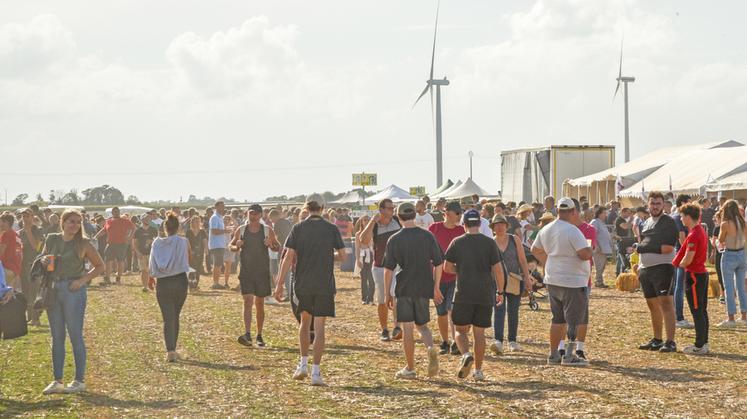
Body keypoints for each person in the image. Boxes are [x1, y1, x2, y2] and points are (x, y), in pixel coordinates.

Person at [273, 200, 346, 386]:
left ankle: (303, 363)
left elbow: (288, 257)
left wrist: (280, 283)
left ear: (307, 209)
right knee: (320, 327)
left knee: (305, 324)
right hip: (324, 283)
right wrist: (328, 255)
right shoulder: (331, 228)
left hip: (303, 283)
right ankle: (316, 372)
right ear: (321, 210)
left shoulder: (298, 228)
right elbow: (343, 256)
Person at [41, 210, 105, 395]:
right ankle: (58, 380)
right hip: (53, 289)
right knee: (57, 335)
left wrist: (82, 280)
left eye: (78, 222)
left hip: (73, 290)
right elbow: (42, 259)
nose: (75, 225)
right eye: (71, 221)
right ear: (63, 222)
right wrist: (44, 260)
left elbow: (99, 265)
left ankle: (79, 380)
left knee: (75, 334)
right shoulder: (52, 239)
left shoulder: (83, 243)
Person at [383, 202, 443, 379]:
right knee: (423, 326)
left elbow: (388, 270)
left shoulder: (394, 239)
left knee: (407, 329)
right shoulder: (427, 236)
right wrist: (436, 287)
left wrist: (388, 293)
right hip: (424, 286)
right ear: (414, 216)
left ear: (399, 217)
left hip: (404, 287)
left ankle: (410, 368)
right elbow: (439, 263)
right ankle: (431, 348)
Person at [531, 197, 592, 366]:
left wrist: (548, 261)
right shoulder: (573, 231)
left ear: (557, 211)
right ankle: (570, 355)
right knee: (573, 319)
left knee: (557, 318)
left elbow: (534, 249)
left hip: (553, 279)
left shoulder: (546, 229)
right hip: (573, 280)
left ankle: (553, 354)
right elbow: (584, 254)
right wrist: (589, 249)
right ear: (573, 212)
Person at [445, 209, 505, 380]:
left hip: (463, 293)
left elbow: (447, 267)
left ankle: (465, 354)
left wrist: (461, 270)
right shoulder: (489, 243)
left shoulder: (457, 242)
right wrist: (500, 291)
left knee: (460, 330)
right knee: (479, 334)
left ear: (464, 224)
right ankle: (478, 371)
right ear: (479, 223)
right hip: (485, 294)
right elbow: (498, 270)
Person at [635, 191, 679, 353]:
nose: (655, 206)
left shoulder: (668, 222)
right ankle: (657, 339)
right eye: (652, 203)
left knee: (666, 303)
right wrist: (639, 265)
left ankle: (671, 341)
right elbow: (642, 245)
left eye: (658, 203)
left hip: (663, 268)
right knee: (652, 305)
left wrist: (642, 248)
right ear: (648, 205)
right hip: (646, 269)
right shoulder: (645, 223)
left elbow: (668, 248)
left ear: (663, 204)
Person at [230, 205, 280, 348]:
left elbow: (277, 247)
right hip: (246, 271)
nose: (253, 216)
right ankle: (247, 334)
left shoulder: (267, 230)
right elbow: (231, 246)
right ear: (247, 214)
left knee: (259, 304)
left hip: (262, 272)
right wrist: (237, 246)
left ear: (261, 215)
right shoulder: (241, 230)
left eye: (256, 214)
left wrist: (271, 244)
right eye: (251, 213)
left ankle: (259, 334)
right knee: (248, 300)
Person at [148, 212, 191, 362]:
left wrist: (150, 277)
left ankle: (170, 350)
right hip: (179, 280)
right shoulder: (183, 241)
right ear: (178, 227)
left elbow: (151, 262)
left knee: (168, 317)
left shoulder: (156, 243)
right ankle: (173, 349)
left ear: (165, 227)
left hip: (163, 282)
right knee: (175, 316)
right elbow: (189, 259)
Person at [490, 214, 533, 355]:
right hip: (496, 282)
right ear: (493, 227)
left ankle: (512, 340)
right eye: (496, 224)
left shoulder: (515, 240)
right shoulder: (490, 242)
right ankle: (498, 341)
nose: (500, 227)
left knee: (513, 311)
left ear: (507, 226)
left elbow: (522, 260)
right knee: (498, 310)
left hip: (514, 280)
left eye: (502, 224)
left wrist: (527, 277)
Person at [361, 199, 402, 341]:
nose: (393, 210)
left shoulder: (397, 220)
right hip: (380, 266)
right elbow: (363, 241)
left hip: (397, 266)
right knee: (382, 300)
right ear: (382, 209)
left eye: (393, 207)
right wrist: (372, 222)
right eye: (390, 208)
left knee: (397, 296)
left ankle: (397, 327)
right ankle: (384, 329)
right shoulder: (375, 225)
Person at [428, 201, 466, 355]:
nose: (459, 216)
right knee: (441, 312)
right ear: (448, 213)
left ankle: (456, 342)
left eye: (461, 213)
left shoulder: (461, 231)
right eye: (457, 213)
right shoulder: (434, 228)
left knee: (452, 310)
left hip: (455, 277)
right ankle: (445, 341)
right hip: (437, 278)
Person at [673, 203, 710, 354]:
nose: (681, 219)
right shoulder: (698, 230)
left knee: (696, 310)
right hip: (700, 274)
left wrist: (678, 266)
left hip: (694, 275)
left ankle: (699, 345)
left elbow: (688, 258)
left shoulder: (694, 233)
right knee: (701, 310)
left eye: (682, 216)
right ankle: (704, 342)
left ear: (688, 217)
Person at [716, 200, 747, 327]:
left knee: (728, 287)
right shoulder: (743, 223)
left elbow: (721, 239)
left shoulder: (725, 224)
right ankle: (744, 316)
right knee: (741, 288)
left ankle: (731, 318)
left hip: (729, 255)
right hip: (741, 254)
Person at [92, 207, 134, 285]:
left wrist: (129, 237)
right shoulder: (109, 221)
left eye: (117, 211)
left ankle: (118, 278)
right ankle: (107, 278)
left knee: (120, 261)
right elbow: (104, 230)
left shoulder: (125, 221)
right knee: (107, 260)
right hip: (110, 244)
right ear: (112, 213)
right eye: (114, 211)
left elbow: (133, 228)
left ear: (119, 212)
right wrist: (95, 237)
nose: (116, 213)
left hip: (121, 244)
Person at [671, 194, 694, 329]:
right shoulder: (680, 218)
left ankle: (676, 315)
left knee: (677, 286)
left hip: (677, 254)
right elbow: (682, 237)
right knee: (679, 287)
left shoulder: (675, 216)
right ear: (683, 203)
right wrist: (687, 255)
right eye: (689, 203)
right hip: (681, 254)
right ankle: (679, 317)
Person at [18, 208, 44, 326]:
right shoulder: (20, 232)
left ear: (33, 217)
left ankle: (36, 318)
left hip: (35, 265)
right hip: (23, 265)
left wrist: (28, 232)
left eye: (27, 216)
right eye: (23, 216)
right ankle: (29, 317)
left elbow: (37, 248)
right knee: (25, 292)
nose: (25, 219)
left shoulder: (38, 230)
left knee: (34, 291)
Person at [208, 201, 233, 290]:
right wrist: (225, 231)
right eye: (221, 206)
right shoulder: (214, 218)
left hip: (220, 244)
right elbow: (214, 231)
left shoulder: (219, 217)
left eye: (223, 206)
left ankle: (216, 282)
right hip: (216, 244)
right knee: (217, 264)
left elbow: (219, 230)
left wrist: (226, 228)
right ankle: (215, 283)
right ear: (217, 207)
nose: (223, 208)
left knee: (218, 264)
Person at [270, 209, 293, 301]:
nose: (271, 221)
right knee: (290, 271)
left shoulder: (278, 224)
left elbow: (276, 237)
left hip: (283, 249)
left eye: (271, 219)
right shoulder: (287, 222)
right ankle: (291, 292)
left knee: (285, 271)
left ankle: (289, 293)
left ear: (275, 216)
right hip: (291, 248)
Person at [133, 211, 159, 292]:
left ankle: (153, 283)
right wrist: (138, 253)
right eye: (146, 218)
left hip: (152, 253)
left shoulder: (154, 230)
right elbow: (134, 243)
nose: (148, 220)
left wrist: (152, 241)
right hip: (142, 254)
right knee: (144, 270)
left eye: (149, 218)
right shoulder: (138, 231)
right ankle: (145, 287)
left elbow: (158, 241)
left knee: (152, 270)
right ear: (142, 220)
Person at [354, 215, 375, 305]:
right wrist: (358, 259)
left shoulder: (374, 232)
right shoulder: (358, 234)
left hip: (371, 255)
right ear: (361, 222)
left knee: (371, 278)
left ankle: (370, 298)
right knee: (364, 278)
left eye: (368, 220)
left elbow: (374, 246)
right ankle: (364, 298)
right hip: (362, 255)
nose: (366, 221)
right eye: (365, 220)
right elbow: (357, 247)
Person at [590, 207, 612, 288]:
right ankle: (598, 282)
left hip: (603, 248)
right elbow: (593, 234)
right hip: (598, 248)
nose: (605, 215)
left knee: (602, 265)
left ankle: (599, 281)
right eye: (604, 213)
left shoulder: (601, 222)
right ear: (599, 214)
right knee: (599, 265)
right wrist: (596, 245)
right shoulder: (595, 222)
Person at [0, 213, 22, 291]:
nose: (0, 223)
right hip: (15, 270)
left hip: (5, 268)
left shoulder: (6, 234)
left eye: (2, 221)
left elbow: (1, 252)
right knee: (8, 298)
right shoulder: (16, 235)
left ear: (7, 222)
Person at [185, 216, 208, 289]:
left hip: (200, 252)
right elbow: (186, 242)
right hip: (190, 253)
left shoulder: (202, 232)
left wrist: (206, 250)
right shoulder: (188, 232)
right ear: (192, 223)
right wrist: (189, 251)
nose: (197, 223)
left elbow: (205, 241)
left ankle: (195, 284)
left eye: (198, 221)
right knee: (191, 268)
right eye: (195, 221)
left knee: (198, 268)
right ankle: (190, 283)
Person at [614, 208, 634, 276]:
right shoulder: (619, 219)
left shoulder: (623, 220)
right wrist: (631, 220)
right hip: (621, 241)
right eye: (628, 213)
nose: (629, 215)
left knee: (620, 259)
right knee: (622, 258)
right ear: (623, 212)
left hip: (625, 241)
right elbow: (625, 226)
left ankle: (618, 273)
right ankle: (619, 274)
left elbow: (629, 226)